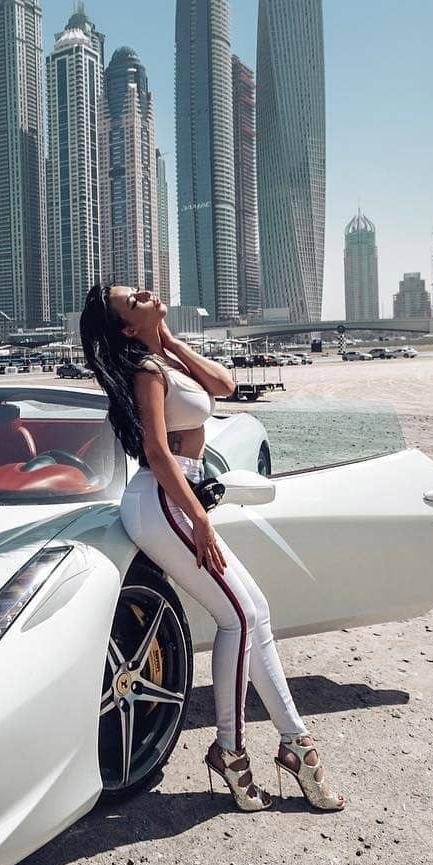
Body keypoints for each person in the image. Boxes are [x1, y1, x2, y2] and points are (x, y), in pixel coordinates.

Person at [79, 283, 344, 814]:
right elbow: (157, 452)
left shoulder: (163, 359)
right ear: (127, 327)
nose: (146, 292)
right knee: (237, 618)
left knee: (255, 611)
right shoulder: (146, 372)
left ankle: (294, 743)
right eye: (134, 301)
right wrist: (199, 519)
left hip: (176, 497)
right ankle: (232, 750)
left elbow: (224, 385)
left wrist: (169, 339)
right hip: (163, 501)